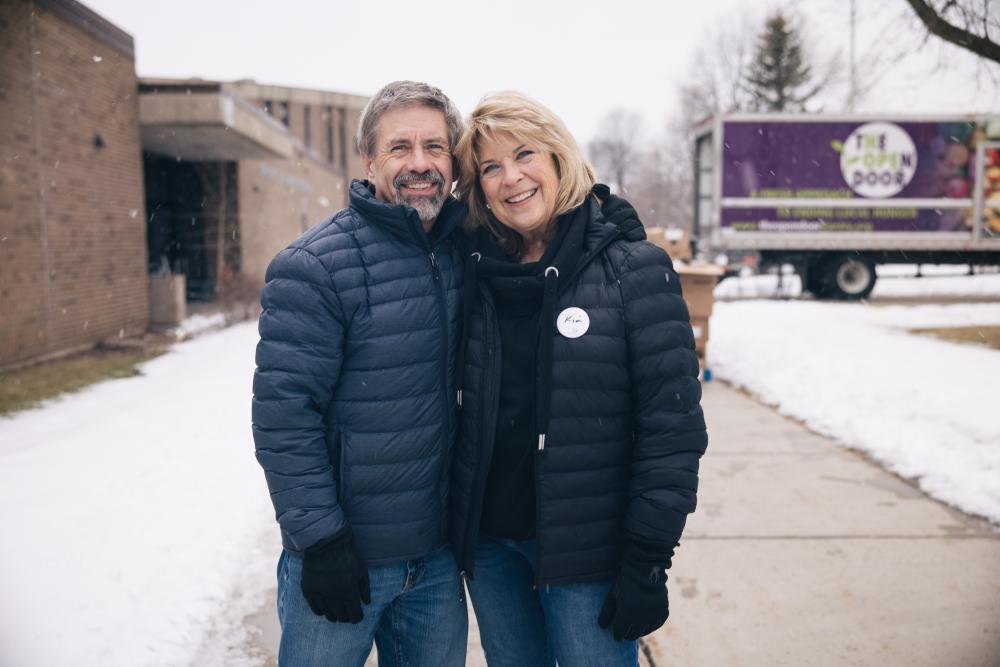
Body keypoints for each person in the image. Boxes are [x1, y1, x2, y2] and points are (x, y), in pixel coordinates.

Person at [449, 91, 708, 667]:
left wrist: (647, 558)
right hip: (492, 548)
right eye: (490, 167)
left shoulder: (632, 270)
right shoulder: (472, 272)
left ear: (559, 157)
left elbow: (672, 428)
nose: (511, 178)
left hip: (589, 554)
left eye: (524, 155)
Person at [251, 80, 469, 667]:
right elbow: (283, 417)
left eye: (435, 147)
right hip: (342, 559)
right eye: (400, 148)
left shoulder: (464, 252)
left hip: (436, 563)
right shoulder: (314, 267)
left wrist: (605, 223)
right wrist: (320, 540)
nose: (419, 164)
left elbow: (543, 235)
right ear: (369, 159)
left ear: (454, 160)